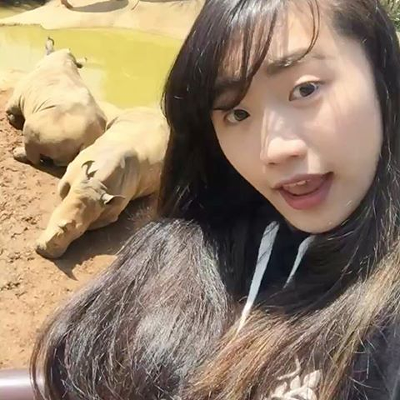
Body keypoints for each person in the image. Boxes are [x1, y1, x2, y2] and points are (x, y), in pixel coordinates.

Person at [30, 0, 400, 399]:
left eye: (305, 89)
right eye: (237, 114)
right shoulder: (188, 250)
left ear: (383, 77)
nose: (274, 151)